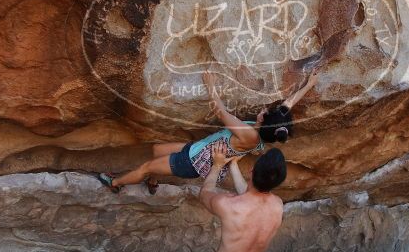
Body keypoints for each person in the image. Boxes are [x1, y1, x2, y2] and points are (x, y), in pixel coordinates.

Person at [97, 69, 317, 194]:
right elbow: (286, 107)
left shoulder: (249, 134)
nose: (265, 109)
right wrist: (307, 86)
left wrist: (209, 84)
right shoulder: (264, 133)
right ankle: (154, 180)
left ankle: (115, 183)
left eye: (266, 111)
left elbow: (221, 113)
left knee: (145, 167)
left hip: (194, 162)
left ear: (264, 120)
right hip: (200, 150)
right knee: (156, 150)